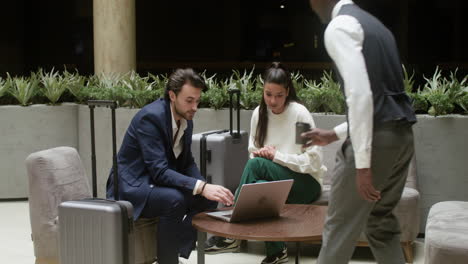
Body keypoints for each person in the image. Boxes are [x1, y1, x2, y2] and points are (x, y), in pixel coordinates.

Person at [305, 1, 417, 263]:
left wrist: (363, 164)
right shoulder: (378, 28)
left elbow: (361, 95)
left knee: (339, 227)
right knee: (380, 222)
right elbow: (383, 100)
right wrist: (335, 134)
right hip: (402, 138)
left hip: (375, 145)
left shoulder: (339, 26)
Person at [106, 68, 234, 264]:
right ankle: (168, 261)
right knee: (174, 200)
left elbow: (187, 161)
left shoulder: (186, 119)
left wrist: (203, 186)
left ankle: (174, 253)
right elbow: (159, 171)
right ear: (172, 95)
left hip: (155, 182)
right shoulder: (150, 118)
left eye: (197, 101)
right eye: (189, 100)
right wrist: (201, 187)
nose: (195, 107)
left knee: (207, 200)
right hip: (132, 186)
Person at [205, 62, 326, 264]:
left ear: (287, 92)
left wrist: (276, 157)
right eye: (268, 94)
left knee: (255, 165)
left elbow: (313, 161)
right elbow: (254, 152)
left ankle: (232, 234)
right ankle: (277, 253)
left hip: (306, 182)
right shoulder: (259, 114)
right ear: (263, 90)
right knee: (261, 186)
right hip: (276, 181)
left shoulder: (298, 115)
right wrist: (263, 156)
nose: (272, 100)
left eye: (279, 95)